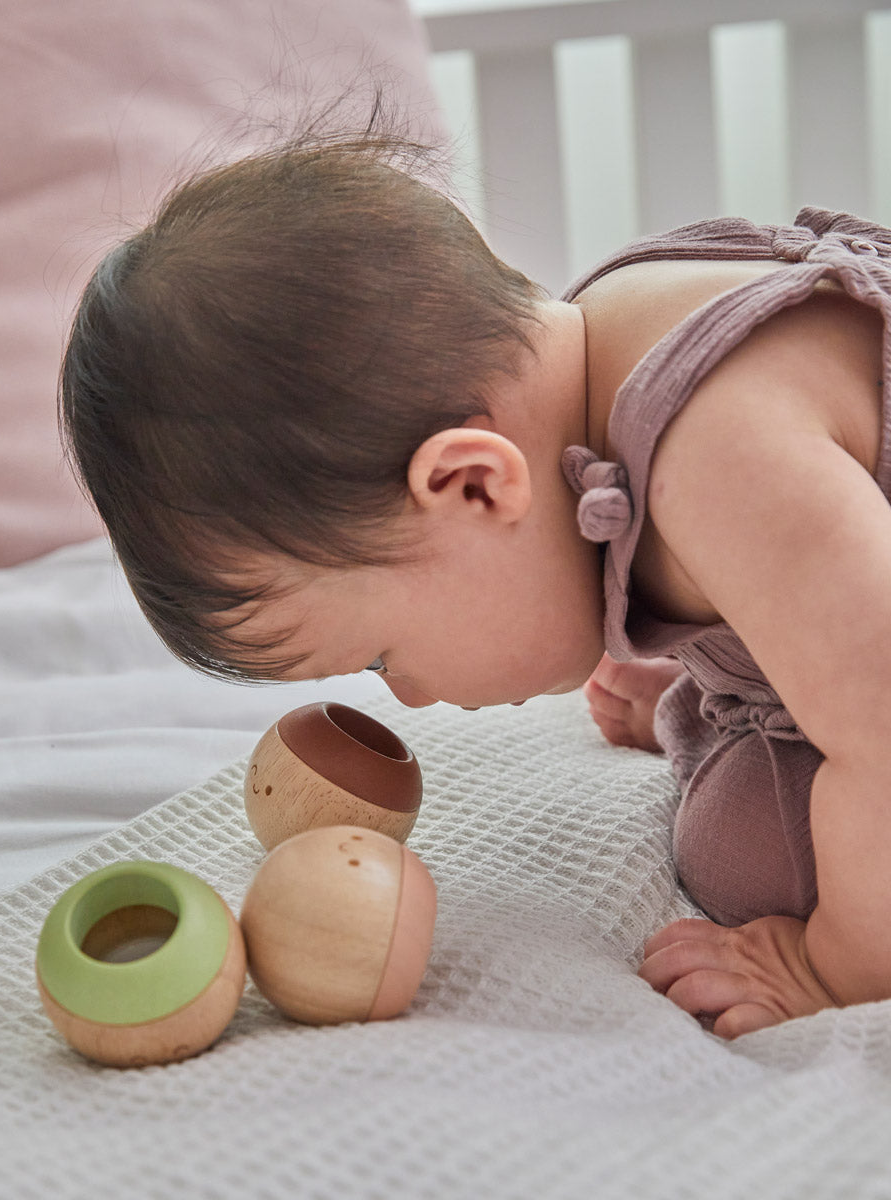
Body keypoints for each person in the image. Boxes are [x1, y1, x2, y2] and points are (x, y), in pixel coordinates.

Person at [59, 127, 891, 1039]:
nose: (411, 695)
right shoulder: (609, 325)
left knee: (745, 849)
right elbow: (819, 579)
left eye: (381, 656)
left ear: (473, 484)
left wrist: (832, 965)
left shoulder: (720, 460)